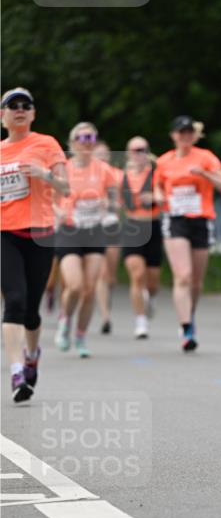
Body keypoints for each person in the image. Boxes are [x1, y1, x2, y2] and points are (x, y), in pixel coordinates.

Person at [1, 87, 68, 401]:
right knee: (14, 300)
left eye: (26, 105)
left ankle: (31, 354)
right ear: (3, 116)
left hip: (41, 233)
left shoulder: (46, 144)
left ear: (33, 113)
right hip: (5, 233)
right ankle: (16, 371)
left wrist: (44, 174)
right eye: (12, 105)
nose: (19, 109)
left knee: (31, 311)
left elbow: (66, 187)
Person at [154, 115, 221, 351]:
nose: (185, 136)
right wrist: (159, 197)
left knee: (196, 282)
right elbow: (158, 187)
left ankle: (189, 315)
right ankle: (187, 327)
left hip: (201, 220)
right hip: (175, 220)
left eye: (189, 132)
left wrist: (205, 175)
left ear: (194, 135)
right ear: (173, 136)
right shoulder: (164, 161)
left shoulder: (206, 157)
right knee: (183, 276)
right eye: (181, 132)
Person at [54, 122, 118, 357]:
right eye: (82, 138)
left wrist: (107, 205)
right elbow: (48, 198)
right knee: (75, 285)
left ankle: (80, 336)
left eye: (91, 138)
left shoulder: (104, 170)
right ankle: (65, 319)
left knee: (90, 289)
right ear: (72, 143)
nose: (87, 142)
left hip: (94, 230)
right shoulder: (63, 170)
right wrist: (57, 211)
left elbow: (115, 202)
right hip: (69, 230)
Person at [120, 136, 162, 339]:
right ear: (128, 153)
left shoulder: (157, 174)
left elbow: (167, 196)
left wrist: (156, 197)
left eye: (142, 149)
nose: (139, 153)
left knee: (152, 281)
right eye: (135, 150)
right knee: (137, 276)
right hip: (131, 226)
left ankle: (151, 297)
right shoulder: (121, 176)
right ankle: (140, 321)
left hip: (153, 225)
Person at [93, 140, 123, 334]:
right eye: (98, 154)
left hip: (111, 224)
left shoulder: (117, 176)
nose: (102, 158)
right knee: (102, 273)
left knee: (111, 275)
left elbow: (123, 204)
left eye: (105, 154)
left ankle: (107, 302)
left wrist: (110, 204)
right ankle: (105, 316)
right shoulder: (85, 175)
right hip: (93, 226)